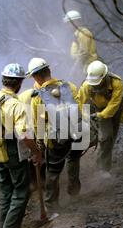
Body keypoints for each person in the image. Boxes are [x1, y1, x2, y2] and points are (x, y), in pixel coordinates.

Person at [0, 63, 42, 228]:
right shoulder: (15, 105)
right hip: (12, 150)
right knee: (21, 190)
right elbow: (24, 134)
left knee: (5, 191)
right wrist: (36, 152)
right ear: (19, 82)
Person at [28, 57, 82, 214]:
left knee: (53, 171)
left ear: (36, 77)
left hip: (56, 140)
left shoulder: (37, 97)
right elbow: (80, 107)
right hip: (77, 132)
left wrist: (39, 146)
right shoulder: (69, 86)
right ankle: (74, 194)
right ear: (49, 71)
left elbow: (38, 124)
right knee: (74, 160)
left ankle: (52, 207)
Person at [78, 60, 123, 174]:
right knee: (106, 137)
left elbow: (114, 104)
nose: (95, 84)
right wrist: (85, 116)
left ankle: (104, 158)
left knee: (112, 136)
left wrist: (100, 115)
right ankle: (103, 169)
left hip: (115, 109)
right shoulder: (87, 85)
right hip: (99, 109)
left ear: (104, 77)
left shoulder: (116, 82)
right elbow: (80, 102)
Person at [64, 10, 99, 79]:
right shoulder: (78, 34)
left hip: (90, 68)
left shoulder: (82, 34)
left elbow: (84, 53)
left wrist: (74, 69)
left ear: (75, 22)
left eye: (69, 23)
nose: (67, 26)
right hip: (85, 68)